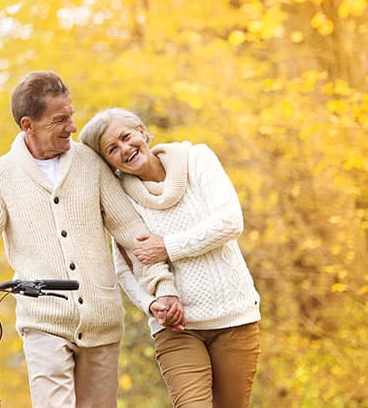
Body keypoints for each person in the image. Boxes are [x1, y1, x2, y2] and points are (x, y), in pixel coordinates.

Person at [0, 71, 181, 408]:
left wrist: (162, 287)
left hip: (101, 323)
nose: (72, 127)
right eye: (60, 120)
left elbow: (133, 233)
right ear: (28, 125)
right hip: (44, 323)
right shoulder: (2, 175)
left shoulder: (90, 163)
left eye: (70, 115)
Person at [79, 108, 262, 408]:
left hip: (234, 318)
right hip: (177, 330)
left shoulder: (196, 159)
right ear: (109, 161)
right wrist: (150, 305)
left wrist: (168, 246)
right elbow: (125, 268)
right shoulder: (121, 199)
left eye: (126, 137)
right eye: (112, 149)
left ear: (141, 131)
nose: (124, 148)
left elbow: (230, 223)